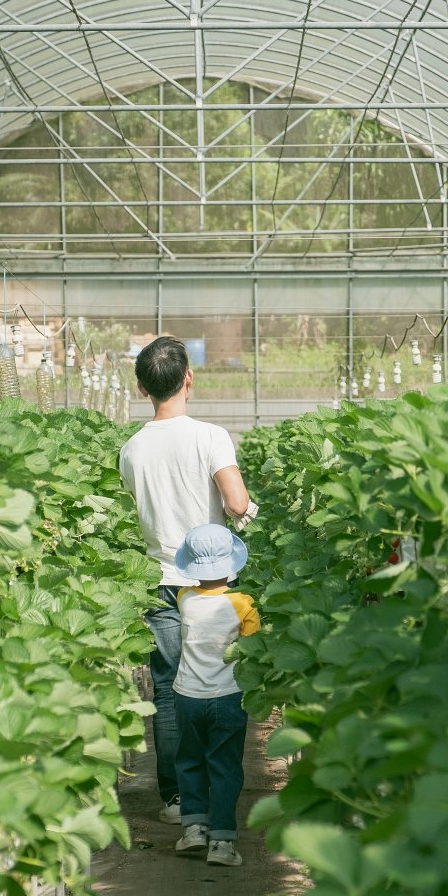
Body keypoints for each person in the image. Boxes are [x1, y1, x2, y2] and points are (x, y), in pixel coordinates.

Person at [119, 336, 256, 825]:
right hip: (212, 582)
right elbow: (237, 503)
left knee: (171, 690)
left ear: (141, 387)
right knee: (217, 686)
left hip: (160, 578)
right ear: (188, 378)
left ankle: (178, 800)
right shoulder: (210, 436)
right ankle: (215, 802)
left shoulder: (131, 449)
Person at [169, 523, 259, 867]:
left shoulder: (183, 598)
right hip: (228, 695)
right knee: (224, 766)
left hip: (187, 695)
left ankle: (193, 828)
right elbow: (254, 645)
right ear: (231, 564)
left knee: (189, 759)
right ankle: (222, 842)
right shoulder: (242, 604)